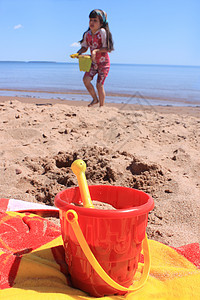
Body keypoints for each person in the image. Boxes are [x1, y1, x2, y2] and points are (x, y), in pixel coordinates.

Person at [76, 9, 114, 107]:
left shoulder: (102, 32)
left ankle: (102, 106)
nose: (92, 23)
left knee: (99, 85)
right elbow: (84, 47)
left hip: (104, 63)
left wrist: (96, 51)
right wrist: (79, 52)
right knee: (86, 80)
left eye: (95, 20)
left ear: (101, 23)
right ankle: (95, 99)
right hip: (93, 63)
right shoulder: (87, 34)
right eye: (90, 20)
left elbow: (107, 48)